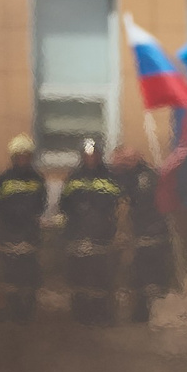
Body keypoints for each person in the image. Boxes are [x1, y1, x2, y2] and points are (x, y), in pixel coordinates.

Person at [58, 138, 125, 325]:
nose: (90, 158)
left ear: (99, 155)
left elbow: (119, 204)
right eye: (87, 155)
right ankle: (81, 314)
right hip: (77, 235)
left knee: (102, 278)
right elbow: (64, 204)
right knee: (78, 278)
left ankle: (102, 314)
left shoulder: (110, 177)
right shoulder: (74, 177)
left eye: (94, 155)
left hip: (102, 237)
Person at [0, 135, 49, 322]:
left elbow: (41, 204)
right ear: (13, 157)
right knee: (10, 274)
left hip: (29, 234)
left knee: (29, 274)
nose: (23, 159)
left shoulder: (38, 179)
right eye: (19, 156)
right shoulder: (3, 179)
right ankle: (13, 309)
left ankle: (28, 310)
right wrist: (10, 217)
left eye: (26, 155)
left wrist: (26, 217)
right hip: (8, 233)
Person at [109, 143, 171, 324]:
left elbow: (147, 206)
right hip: (125, 236)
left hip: (146, 235)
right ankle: (130, 311)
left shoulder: (147, 178)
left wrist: (146, 231)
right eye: (119, 160)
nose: (121, 163)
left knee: (146, 275)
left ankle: (147, 312)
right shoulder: (117, 177)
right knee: (126, 275)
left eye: (126, 160)